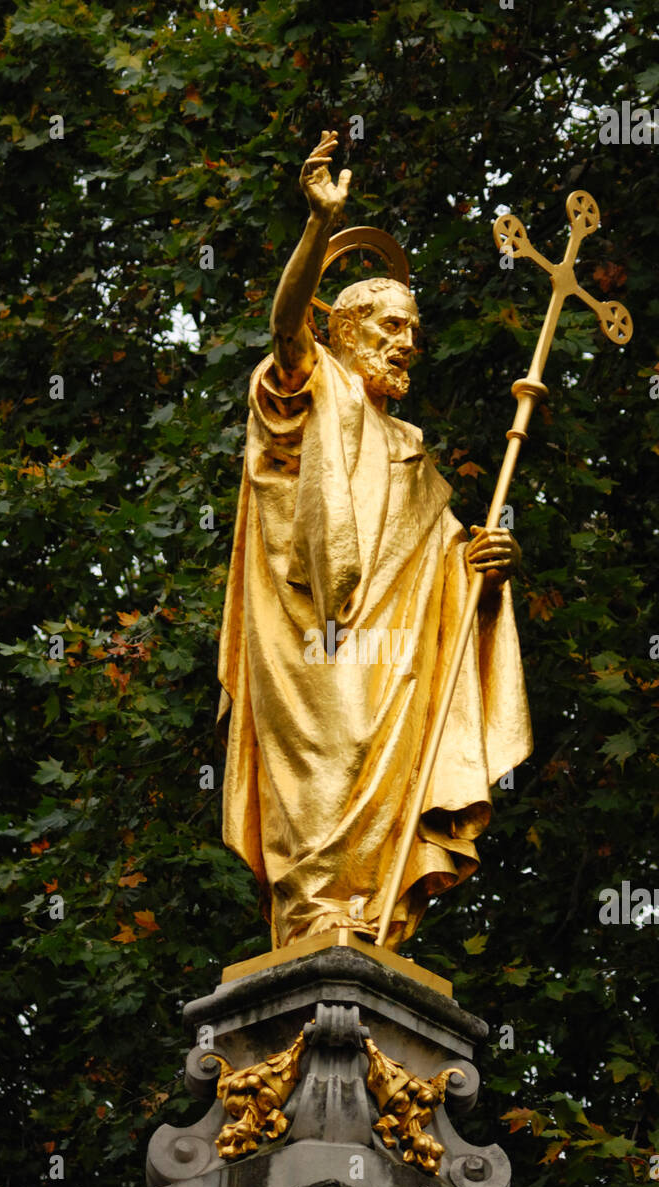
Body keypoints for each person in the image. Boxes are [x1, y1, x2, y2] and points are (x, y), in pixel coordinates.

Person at [217, 131, 532, 952]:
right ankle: (314, 919)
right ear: (346, 332)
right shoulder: (306, 390)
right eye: (390, 325)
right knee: (326, 768)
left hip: (397, 661)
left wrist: (486, 574)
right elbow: (288, 325)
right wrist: (319, 227)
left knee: (382, 777)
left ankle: (368, 925)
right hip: (311, 637)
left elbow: (447, 575)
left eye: (413, 332)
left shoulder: (415, 455)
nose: (406, 343)